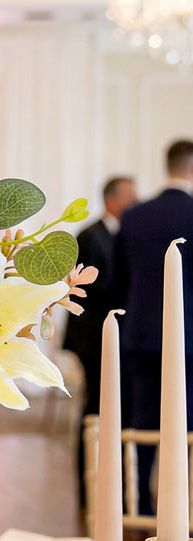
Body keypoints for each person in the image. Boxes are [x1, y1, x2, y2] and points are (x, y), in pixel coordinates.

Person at [116, 140, 193, 515]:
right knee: (189, 427)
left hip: (142, 337)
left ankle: (141, 508)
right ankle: (186, 514)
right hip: (191, 343)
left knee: (143, 422)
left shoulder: (134, 216)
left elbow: (117, 281)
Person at [64, 177, 138, 507]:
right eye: (130, 197)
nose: (135, 202)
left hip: (116, 339)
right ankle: (88, 489)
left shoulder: (122, 235)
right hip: (93, 339)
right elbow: (92, 289)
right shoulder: (91, 236)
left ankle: (116, 485)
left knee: (117, 409)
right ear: (111, 200)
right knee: (95, 408)